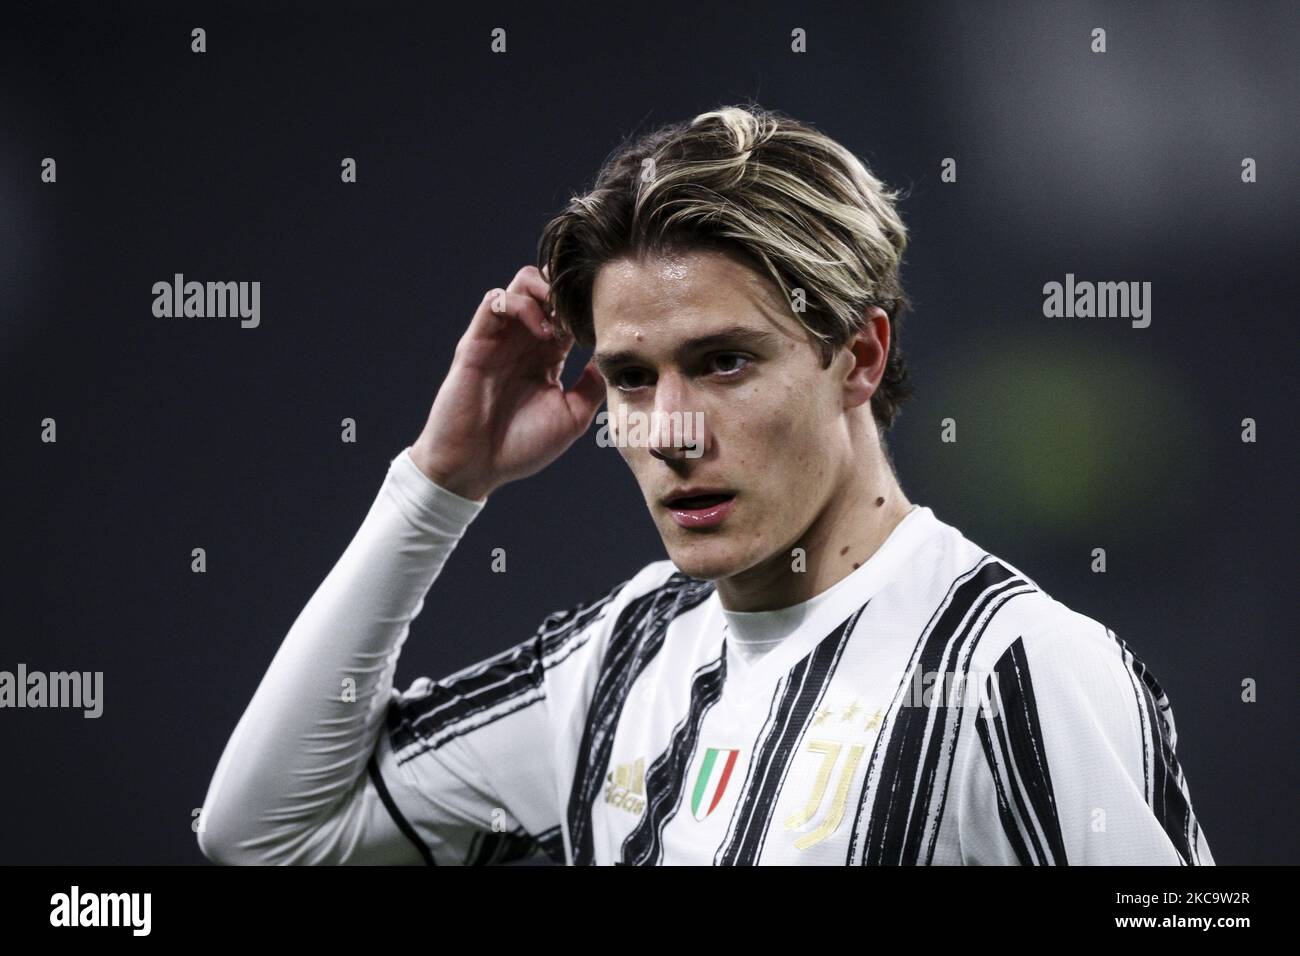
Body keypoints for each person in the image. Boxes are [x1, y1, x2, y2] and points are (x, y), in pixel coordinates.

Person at [197, 104, 1213, 865]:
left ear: (856, 356)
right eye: (632, 377)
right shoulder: (624, 651)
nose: (670, 428)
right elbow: (269, 830)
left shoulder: (1012, 667)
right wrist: (439, 484)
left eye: (723, 360)